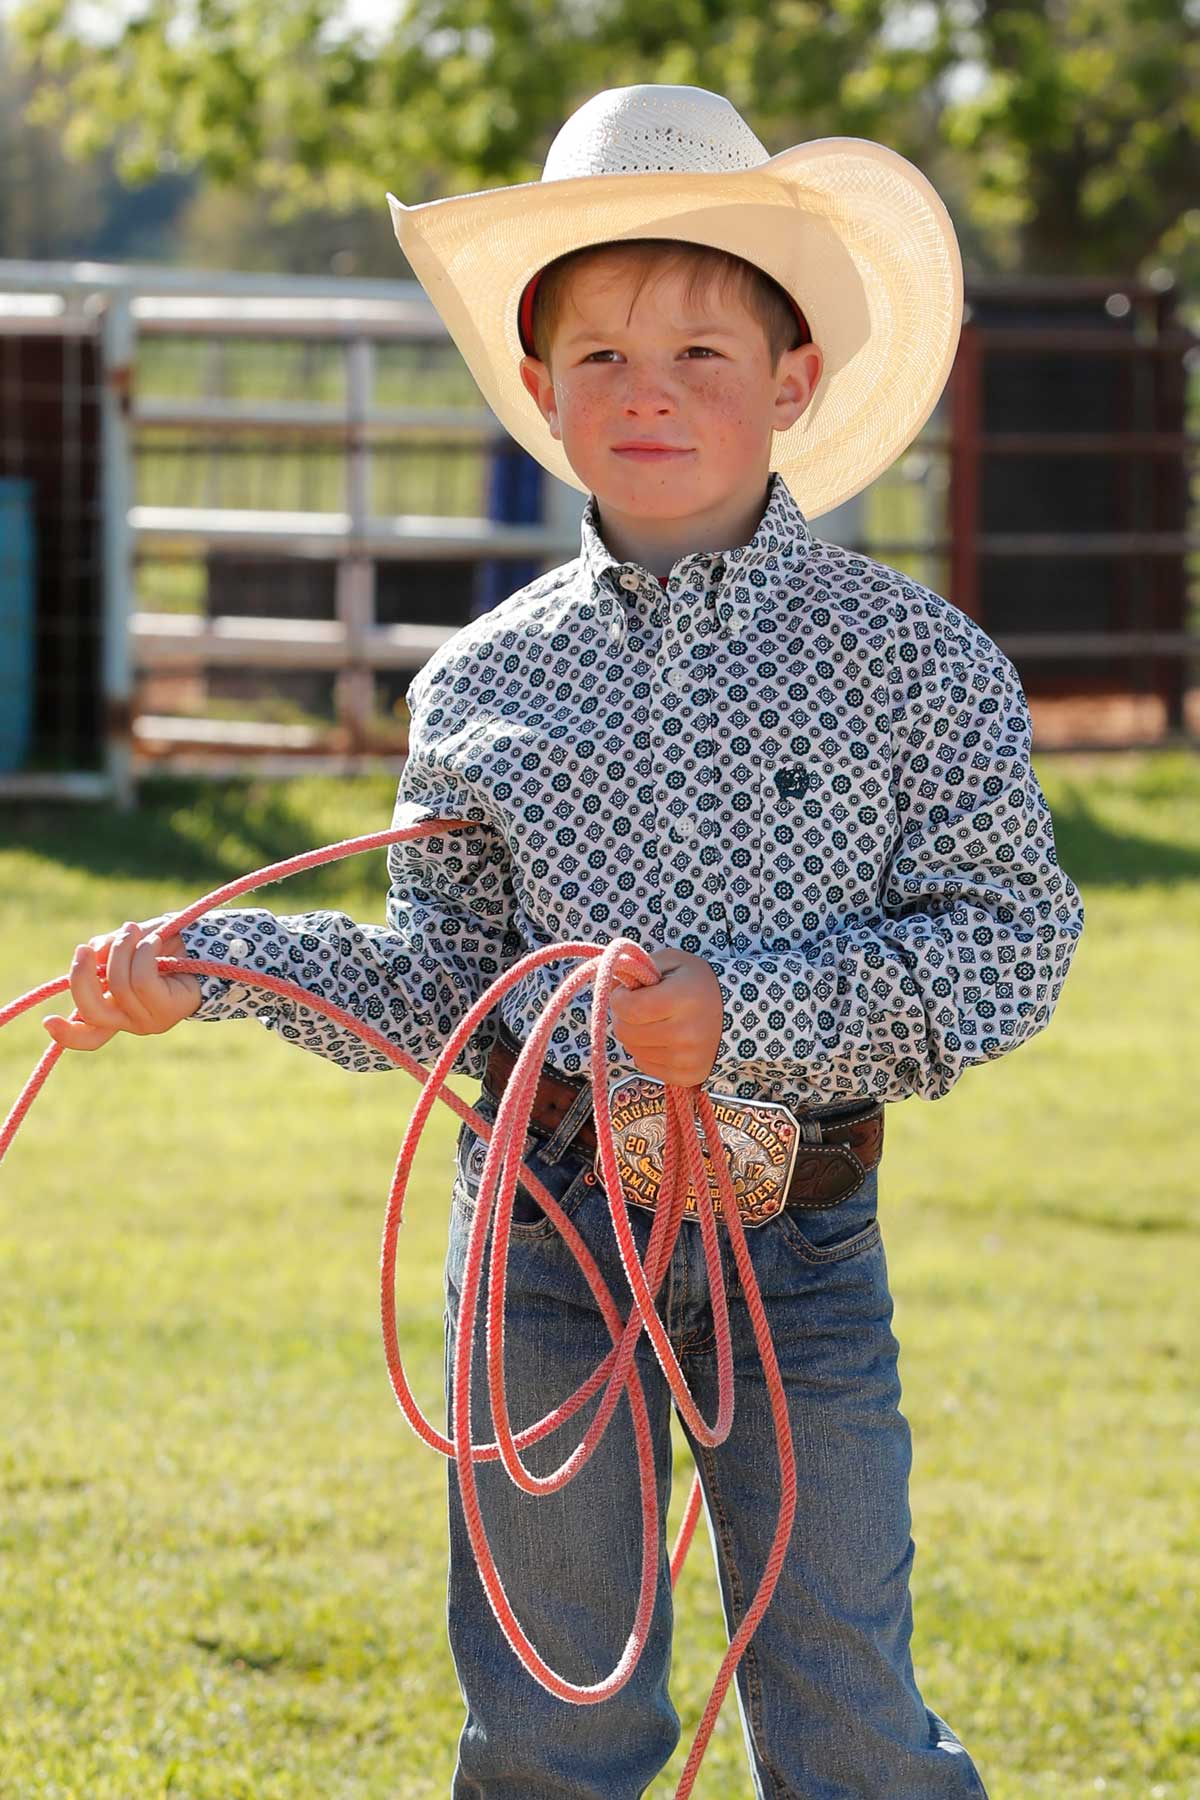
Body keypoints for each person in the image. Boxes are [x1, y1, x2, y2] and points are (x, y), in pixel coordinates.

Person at [45, 84, 1085, 1800]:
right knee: (550, 1727)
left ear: (796, 380)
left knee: (842, 1706)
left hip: (794, 1247)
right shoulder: (481, 684)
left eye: (700, 351)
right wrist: (216, 968)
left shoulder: (923, 666)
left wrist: (740, 1014)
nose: (648, 391)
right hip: (543, 1244)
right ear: (538, 390)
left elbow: (1007, 945)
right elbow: (446, 986)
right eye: (597, 357)